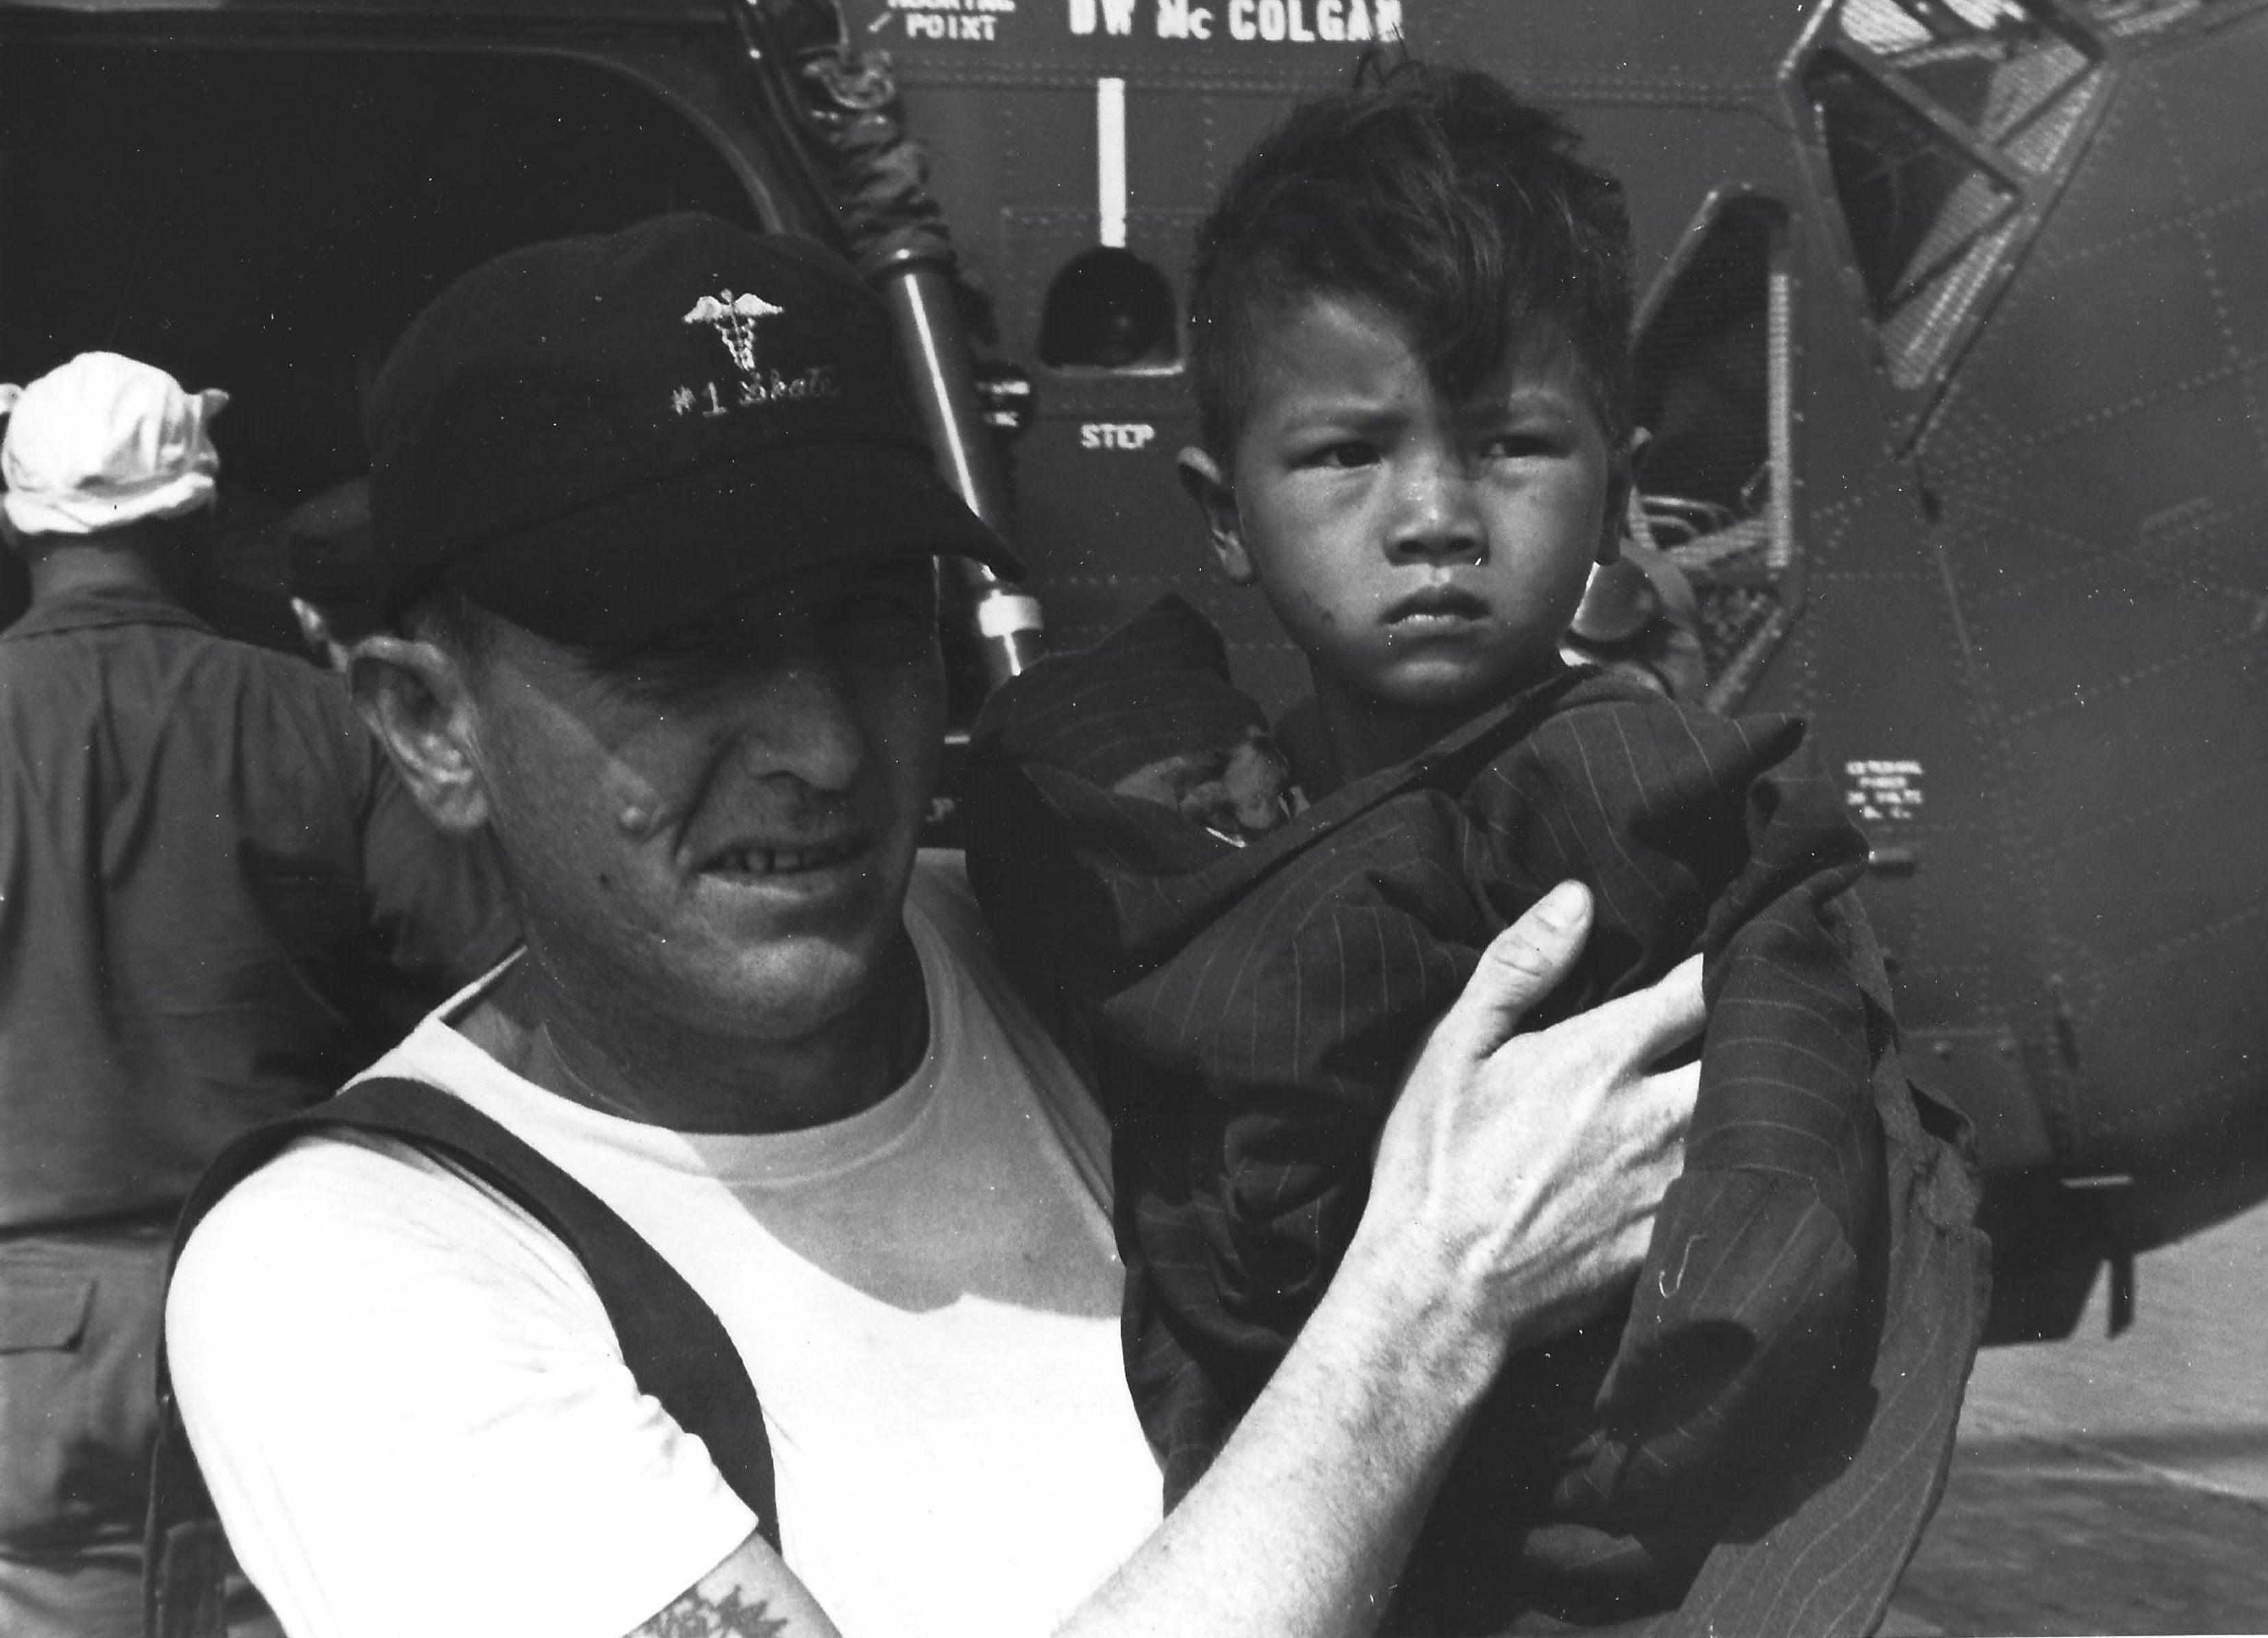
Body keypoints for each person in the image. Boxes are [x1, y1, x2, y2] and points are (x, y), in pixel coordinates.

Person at [163, 210, 1707, 1638]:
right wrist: (1428, 1307)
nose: (826, 750)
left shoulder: (1091, 950)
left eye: (872, 625)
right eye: (682, 656)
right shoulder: (350, 1275)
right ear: (430, 726)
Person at [963, 60, 1986, 1632]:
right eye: (1345, 454)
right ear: (1220, 510)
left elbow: (1768, 1250)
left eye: (1510, 445)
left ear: (1619, 488)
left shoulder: (1688, 843)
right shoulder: (1126, 835)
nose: (1434, 512)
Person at [0, 353, 501, 1637]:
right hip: (275, 1317)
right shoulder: (324, 723)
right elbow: (492, 988)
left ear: (18, 523)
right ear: (199, 517)